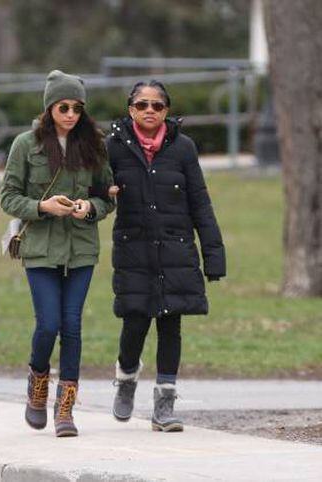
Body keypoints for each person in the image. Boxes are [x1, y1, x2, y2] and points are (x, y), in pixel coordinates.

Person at [106, 80, 226, 432]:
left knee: (171, 323)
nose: (149, 111)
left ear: (166, 111)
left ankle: (164, 404)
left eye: (157, 106)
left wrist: (213, 256)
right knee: (135, 321)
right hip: (134, 251)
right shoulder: (112, 147)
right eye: (142, 104)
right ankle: (126, 378)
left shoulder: (183, 148)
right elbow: (94, 192)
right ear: (130, 109)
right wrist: (103, 193)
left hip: (176, 250)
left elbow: (200, 204)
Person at [1, 70, 114, 437]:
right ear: (49, 107)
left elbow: (105, 196)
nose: (70, 114)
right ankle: (37, 384)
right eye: (63, 107)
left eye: (77, 108)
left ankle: (65, 409)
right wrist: (43, 207)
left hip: (80, 248)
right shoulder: (25, 145)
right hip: (40, 249)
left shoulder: (94, 145)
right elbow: (8, 197)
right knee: (48, 323)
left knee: (73, 326)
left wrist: (90, 208)